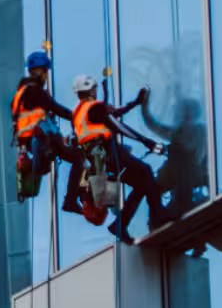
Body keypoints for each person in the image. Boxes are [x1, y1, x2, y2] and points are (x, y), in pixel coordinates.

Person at [70, 74, 166, 243]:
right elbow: (117, 125)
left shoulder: (80, 111)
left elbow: (113, 115)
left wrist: (135, 103)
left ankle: (121, 225)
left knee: (142, 183)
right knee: (145, 171)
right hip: (109, 154)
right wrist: (147, 142)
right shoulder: (93, 108)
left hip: (100, 158)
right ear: (90, 90)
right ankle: (157, 217)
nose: (96, 91)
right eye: (94, 89)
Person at [11, 50, 87, 213]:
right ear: (38, 71)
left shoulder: (22, 91)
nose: (46, 77)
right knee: (77, 157)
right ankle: (72, 200)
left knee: (53, 164)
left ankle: (74, 195)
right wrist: (79, 117)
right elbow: (56, 108)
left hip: (31, 140)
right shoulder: (34, 91)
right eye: (44, 71)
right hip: (39, 139)